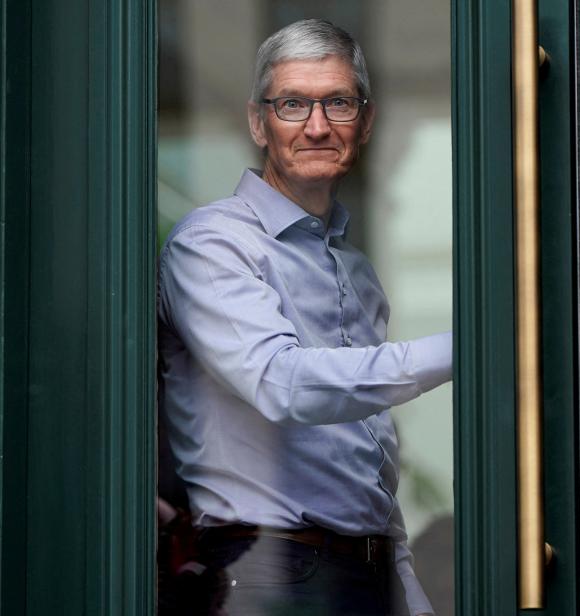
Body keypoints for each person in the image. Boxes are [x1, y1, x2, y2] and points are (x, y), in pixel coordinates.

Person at [158, 18, 452, 616]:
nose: (317, 127)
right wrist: (470, 346)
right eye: (293, 103)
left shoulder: (355, 272)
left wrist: (407, 592)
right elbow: (283, 383)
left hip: (363, 573)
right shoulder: (213, 243)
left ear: (364, 122)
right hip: (268, 573)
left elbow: (367, 459)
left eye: (338, 103)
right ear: (257, 122)